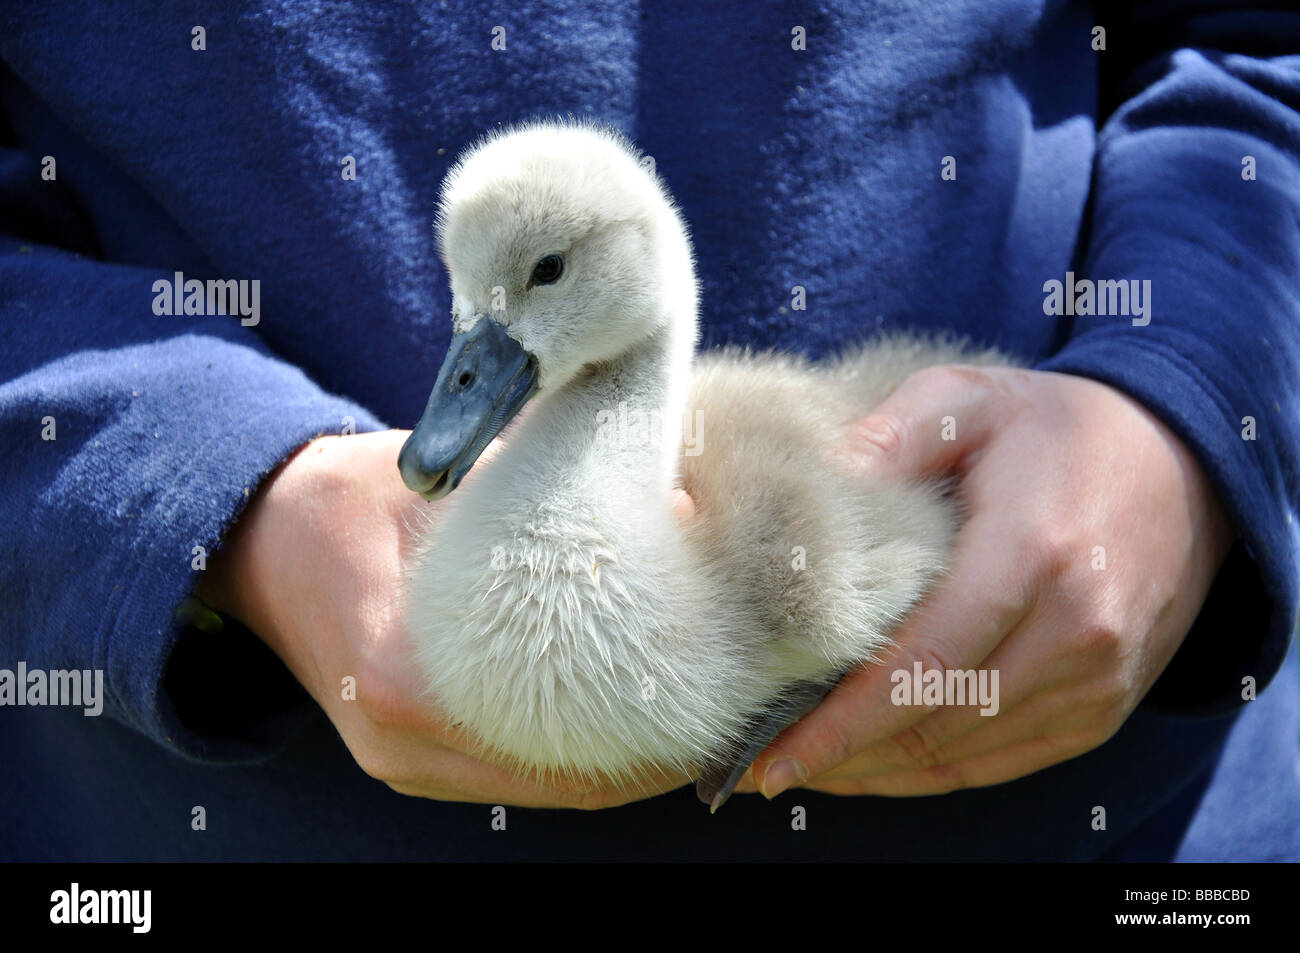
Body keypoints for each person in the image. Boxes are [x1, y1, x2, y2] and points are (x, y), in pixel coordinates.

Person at [1, 0, 1296, 861]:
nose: (473, 369)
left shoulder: (789, 529)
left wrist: (1184, 394)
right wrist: (217, 498)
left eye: (538, 292)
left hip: (1120, 826)